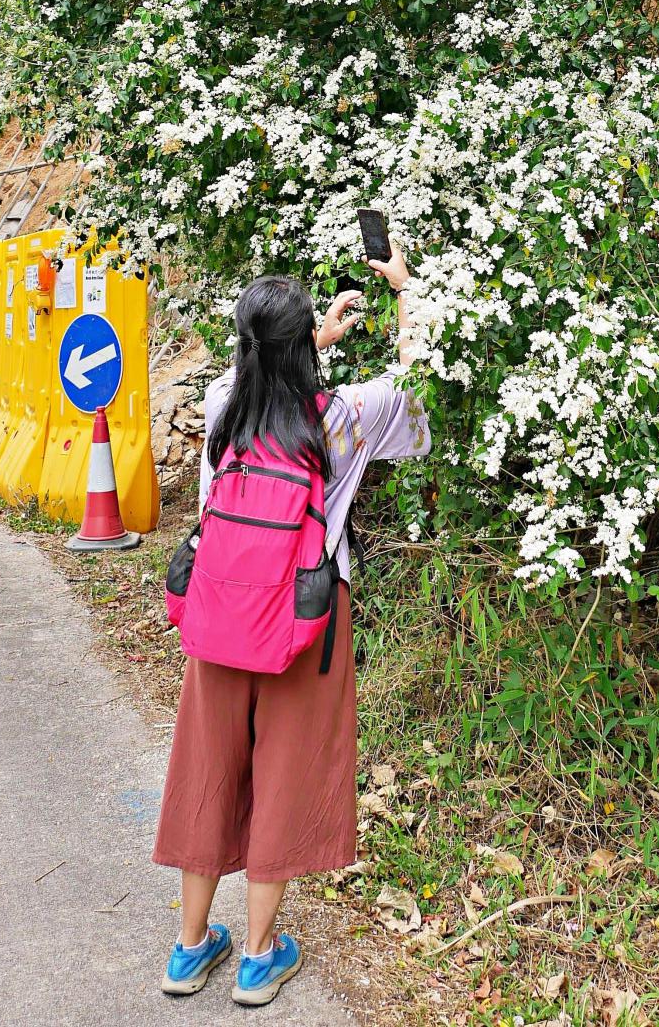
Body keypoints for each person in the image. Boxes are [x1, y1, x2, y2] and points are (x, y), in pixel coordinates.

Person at [152, 245, 429, 1006]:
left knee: (208, 767)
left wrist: (303, 338)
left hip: (220, 612)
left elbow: (256, 366)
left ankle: (188, 949)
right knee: (282, 773)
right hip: (305, 621)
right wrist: (406, 290)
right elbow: (417, 389)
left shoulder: (221, 406)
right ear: (305, 340)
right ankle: (258, 956)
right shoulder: (341, 417)